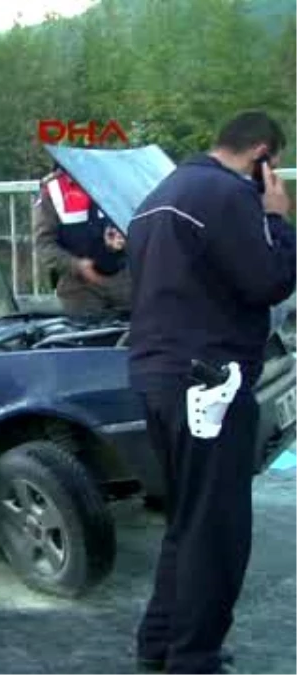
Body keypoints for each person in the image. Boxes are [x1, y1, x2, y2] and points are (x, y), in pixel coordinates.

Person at [126, 110, 297, 675]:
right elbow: (268, 280)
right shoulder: (227, 195)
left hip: (157, 373)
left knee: (189, 517)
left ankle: (160, 642)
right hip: (210, 381)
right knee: (218, 526)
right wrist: (279, 220)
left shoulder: (161, 192)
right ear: (262, 156)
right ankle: (193, 659)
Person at [33, 166, 132, 317]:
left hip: (122, 280)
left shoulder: (113, 182)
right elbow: (44, 245)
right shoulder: (52, 190)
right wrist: (76, 265)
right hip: (79, 288)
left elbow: (136, 224)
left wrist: (122, 240)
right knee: (89, 338)